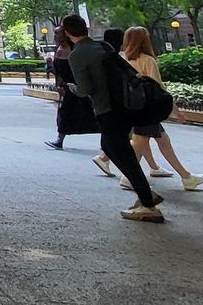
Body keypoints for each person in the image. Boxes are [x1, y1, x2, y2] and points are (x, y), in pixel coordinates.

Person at [61, 15, 164, 220]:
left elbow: (85, 88)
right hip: (125, 106)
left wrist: (73, 88)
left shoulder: (77, 54)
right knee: (117, 149)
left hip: (107, 109)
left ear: (67, 33)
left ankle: (148, 203)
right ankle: (146, 195)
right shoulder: (104, 46)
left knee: (116, 150)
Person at [122, 27, 203, 192]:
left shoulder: (121, 59)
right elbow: (159, 88)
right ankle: (129, 177)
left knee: (162, 140)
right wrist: (176, 111)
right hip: (148, 109)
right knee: (140, 143)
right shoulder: (147, 60)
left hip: (131, 108)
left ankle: (186, 176)